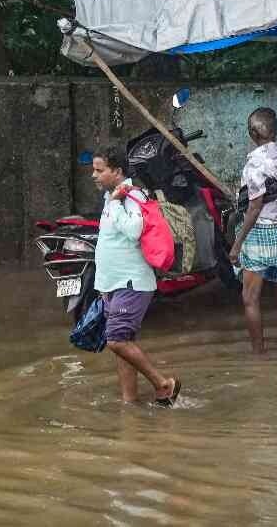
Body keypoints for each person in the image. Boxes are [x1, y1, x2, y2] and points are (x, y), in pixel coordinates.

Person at [91, 147, 181, 407]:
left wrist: (118, 202)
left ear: (117, 172)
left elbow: (133, 231)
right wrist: (102, 286)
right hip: (114, 284)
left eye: (99, 170)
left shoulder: (132, 196)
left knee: (117, 340)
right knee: (124, 345)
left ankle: (163, 384)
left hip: (131, 282)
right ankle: (129, 405)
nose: (94, 175)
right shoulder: (113, 197)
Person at [228, 107, 277, 353]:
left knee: (250, 298)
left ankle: (258, 354)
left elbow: (253, 208)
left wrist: (237, 244)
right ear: (275, 130)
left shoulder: (254, 164)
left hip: (259, 236)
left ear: (253, 133)